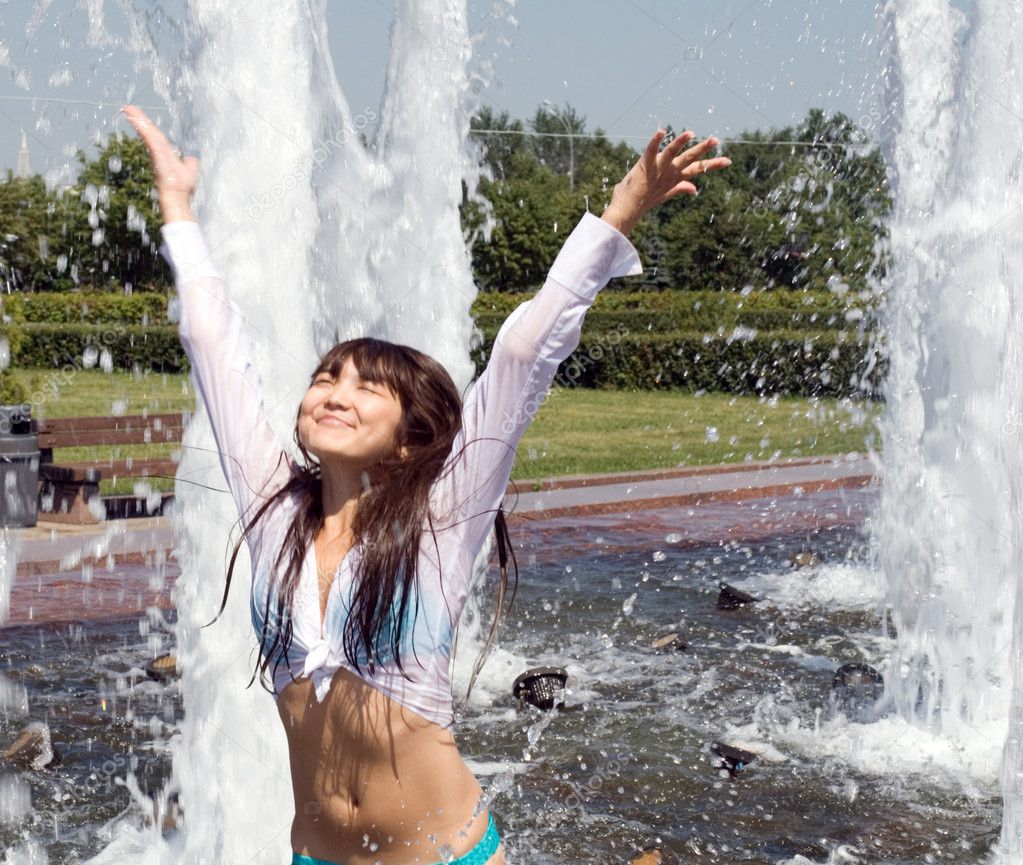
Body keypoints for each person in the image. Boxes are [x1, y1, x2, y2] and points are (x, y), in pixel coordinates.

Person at [122, 102, 730, 865]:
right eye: (325, 376)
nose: (334, 392)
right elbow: (215, 346)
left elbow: (523, 353)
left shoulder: (444, 514)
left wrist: (622, 209)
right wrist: (177, 206)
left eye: (367, 386)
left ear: (413, 436)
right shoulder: (276, 516)